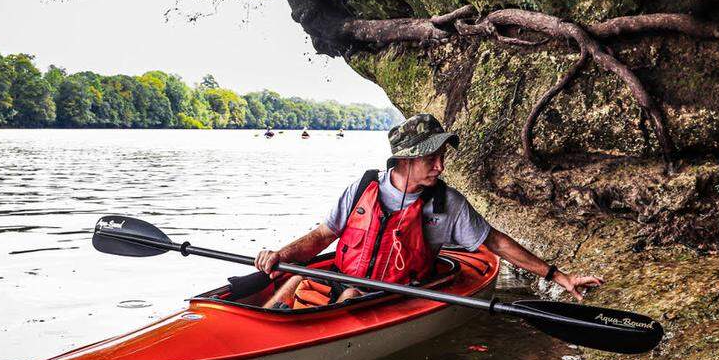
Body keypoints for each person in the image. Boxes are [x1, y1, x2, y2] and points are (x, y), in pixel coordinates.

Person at [255, 113, 603, 308]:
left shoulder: (447, 205)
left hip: (386, 296)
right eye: (431, 157)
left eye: (443, 156)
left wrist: (560, 276)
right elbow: (322, 237)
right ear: (405, 159)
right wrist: (280, 255)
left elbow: (495, 243)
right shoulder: (362, 189)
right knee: (295, 279)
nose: (440, 165)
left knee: (350, 294)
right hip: (343, 280)